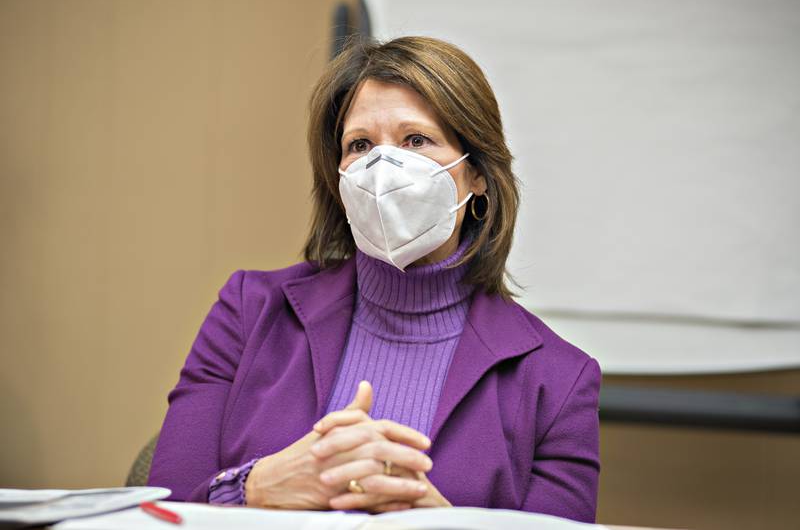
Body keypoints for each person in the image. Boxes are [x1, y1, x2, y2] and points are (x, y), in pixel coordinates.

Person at [147, 36, 601, 523]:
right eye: (360, 145)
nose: (382, 169)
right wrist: (254, 488)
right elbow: (157, 515)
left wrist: (443, 523)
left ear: (477, 177)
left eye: (416, 140)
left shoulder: (558, 379)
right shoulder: (250, 311)